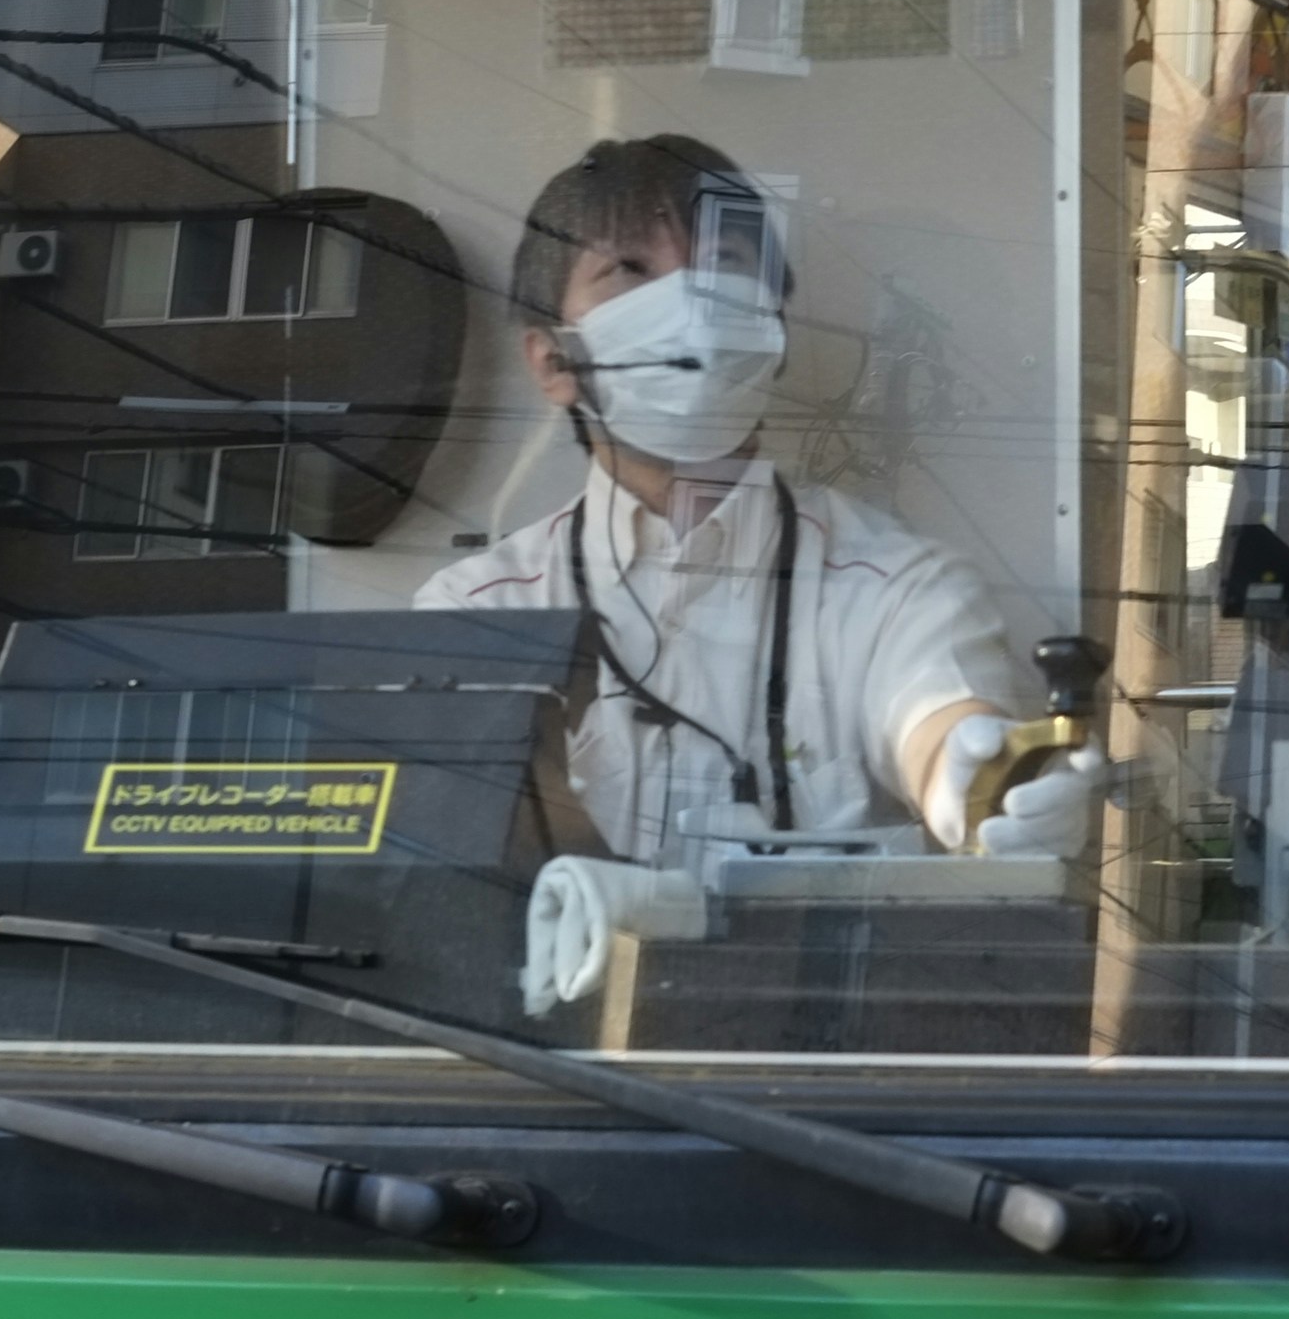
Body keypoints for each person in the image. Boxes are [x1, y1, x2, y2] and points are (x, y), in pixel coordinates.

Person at [414, 135, 1106, 872]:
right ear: (554, 362)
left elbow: (940, 724)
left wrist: (986, 785)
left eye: (726, 267)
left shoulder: (895, 588)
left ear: (772, 329)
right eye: (629, 272)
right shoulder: (474, 614)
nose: (692, 307)